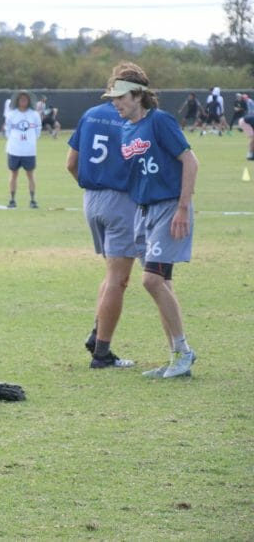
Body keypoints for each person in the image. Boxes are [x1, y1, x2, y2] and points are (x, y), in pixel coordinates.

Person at [103, 62, 199, 379]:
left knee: (151, 280)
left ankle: (184, 352)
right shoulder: (127, 129)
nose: (115, 103)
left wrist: (183, 208)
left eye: (120, 97)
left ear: (138, 95)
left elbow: (190, 161)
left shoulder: (160, 121)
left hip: (169, 208)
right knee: (163, 283)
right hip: (143, 212)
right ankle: (175, 357)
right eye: (113, 98)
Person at [66, 93, 141, 369]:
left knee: (112, 275)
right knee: (119, 279)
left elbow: (70, 164)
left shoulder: (90, 114)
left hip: (91, 198)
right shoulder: (132, 117)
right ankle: (102, 354)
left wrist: (92, 188)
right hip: (121, 200)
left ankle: (97, 334)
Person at [3, 90, 42, 208]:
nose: (23, 101)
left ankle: (32, 199)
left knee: (30, 174)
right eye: (21, 99)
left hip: (29, 150)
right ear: (17, 101)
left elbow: (38, 130)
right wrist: (14, 140)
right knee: (13, 174)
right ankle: (12, 200)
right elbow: (8, 130)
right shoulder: (12, 114)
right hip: (14, 150)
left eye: (25, 99)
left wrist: (30, 141)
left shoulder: (34, 114)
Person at [239, 93, 254, 160]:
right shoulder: (249, 101)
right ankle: (250, 155)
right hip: (244, 122)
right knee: (253, 138)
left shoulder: (250, 101)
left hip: (246, 120)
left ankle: (251, 154)